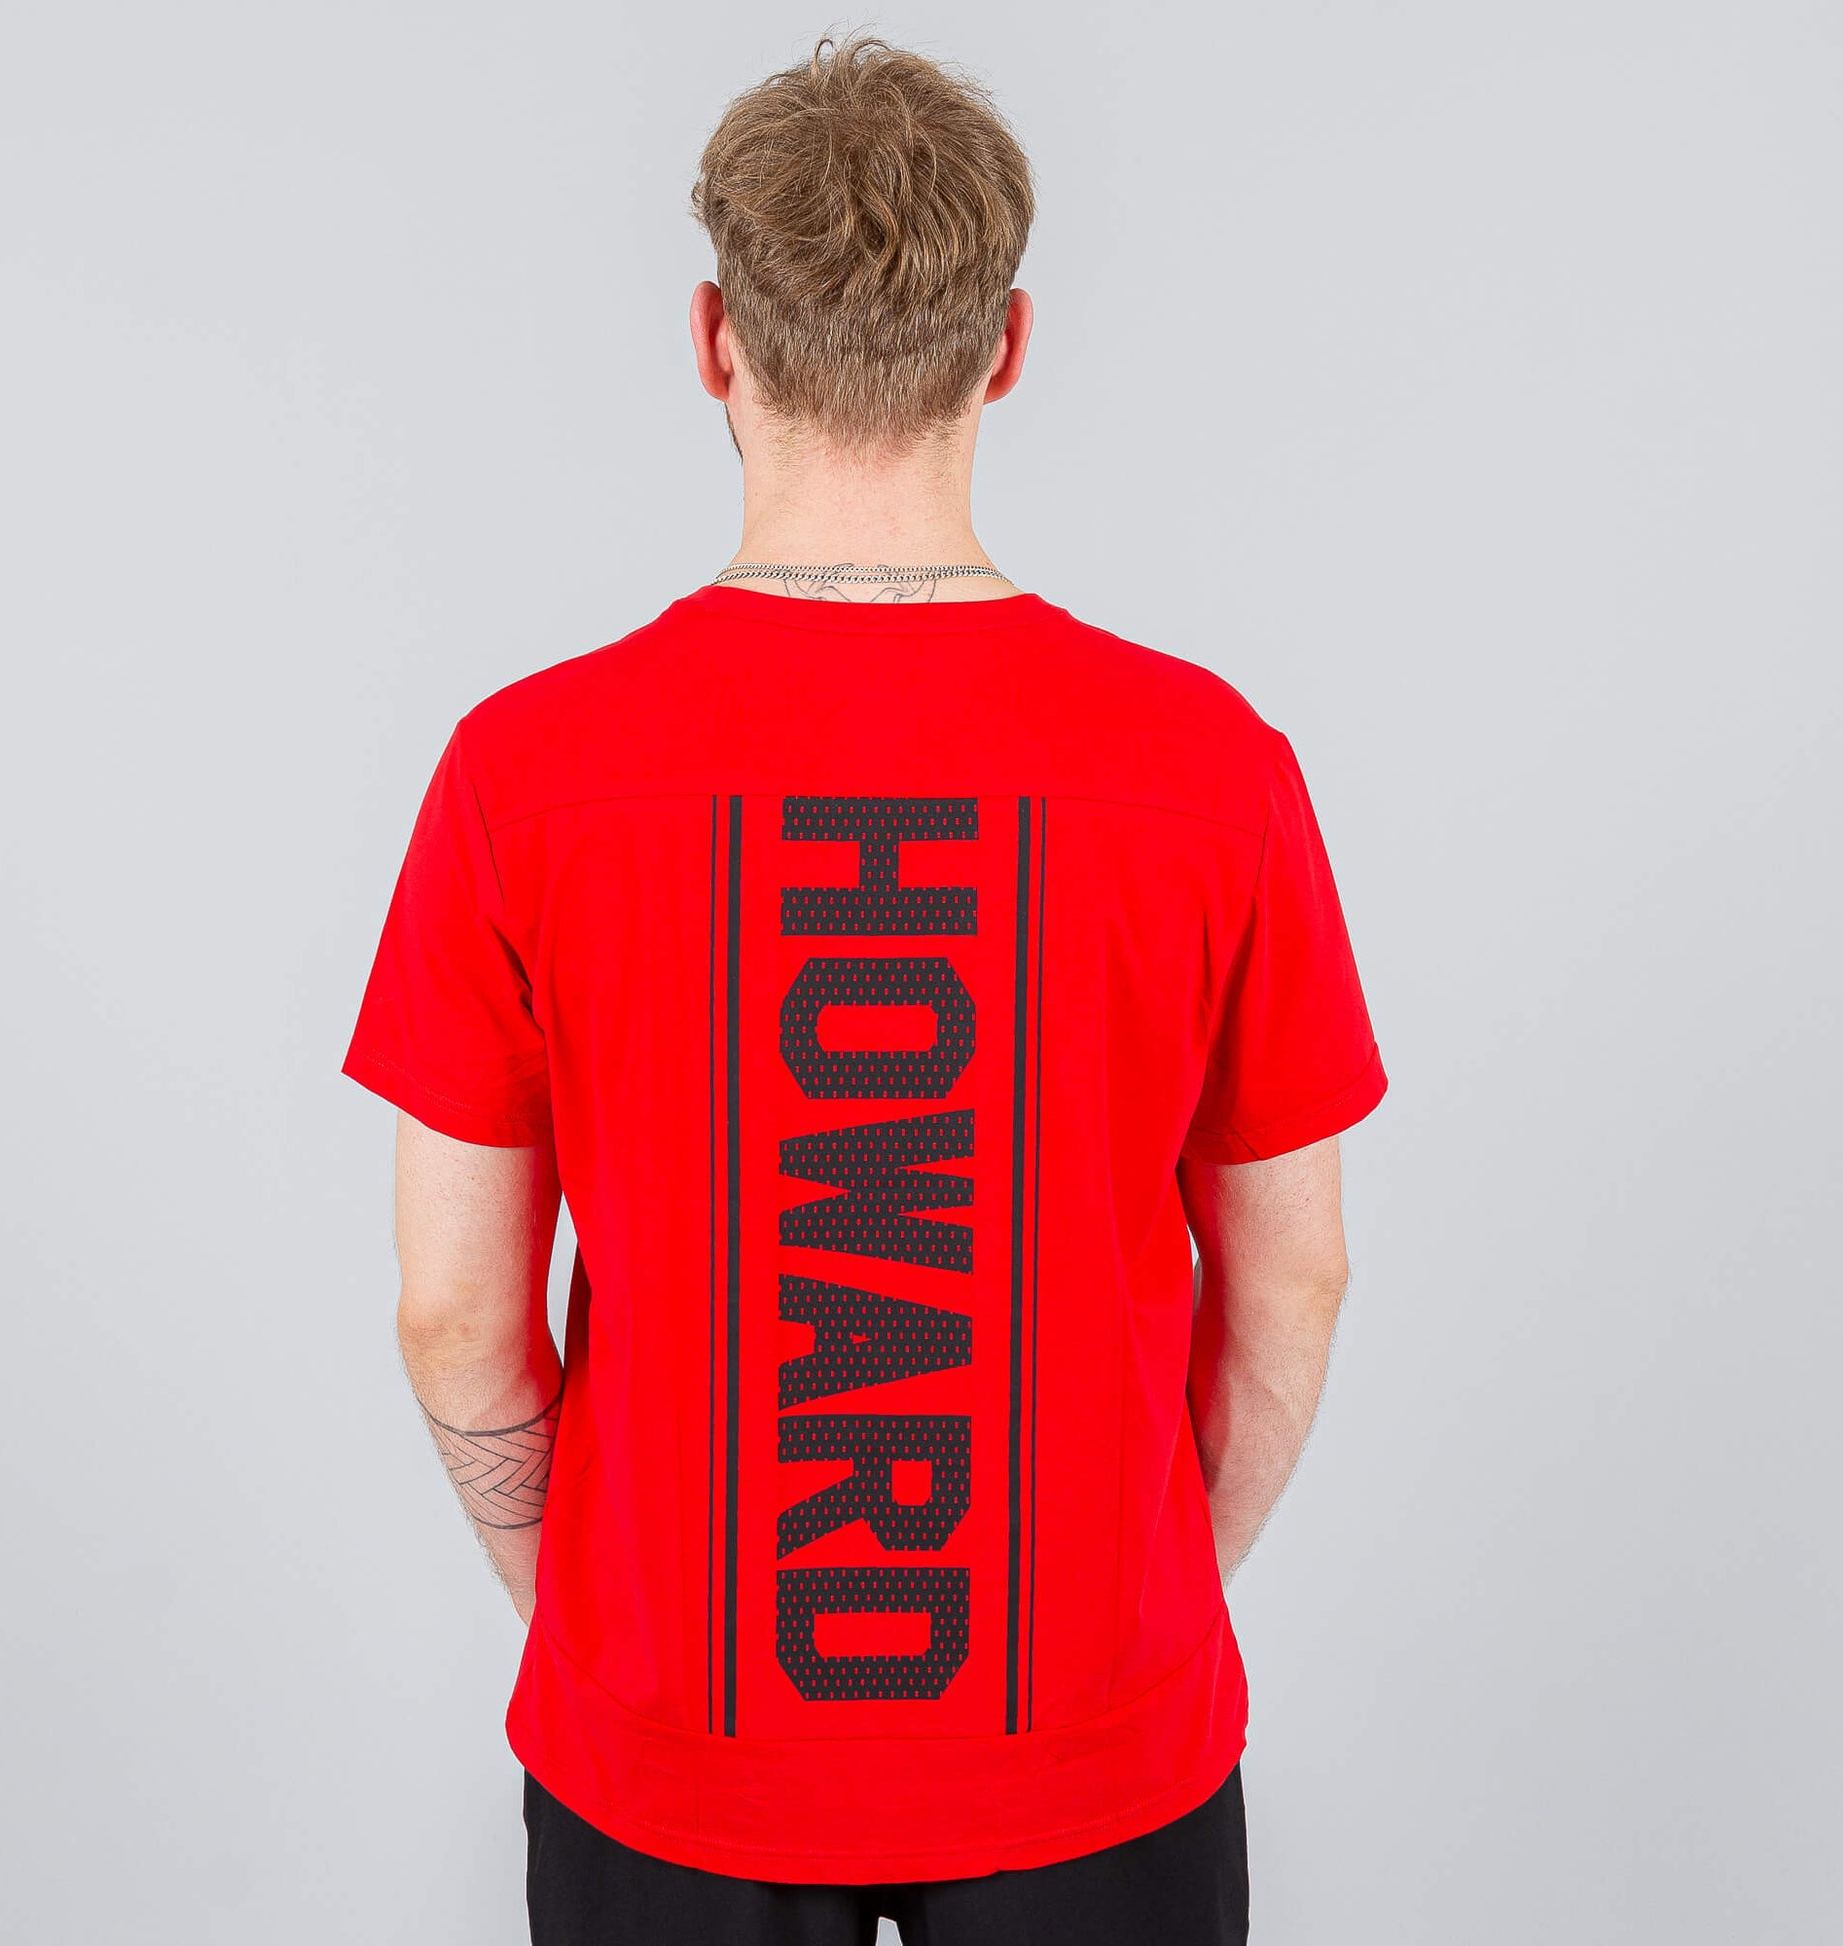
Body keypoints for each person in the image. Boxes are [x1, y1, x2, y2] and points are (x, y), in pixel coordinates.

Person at [343, 35, 1386, 1946]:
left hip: (670, 1748)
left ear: (712, 342)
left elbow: (452, 1307)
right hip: (1090, 1741)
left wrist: (597, 1624)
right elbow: (1294, 1276)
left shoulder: (525, 771)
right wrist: (1145, 1603)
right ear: (1005, 349)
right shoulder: (1207, 767)